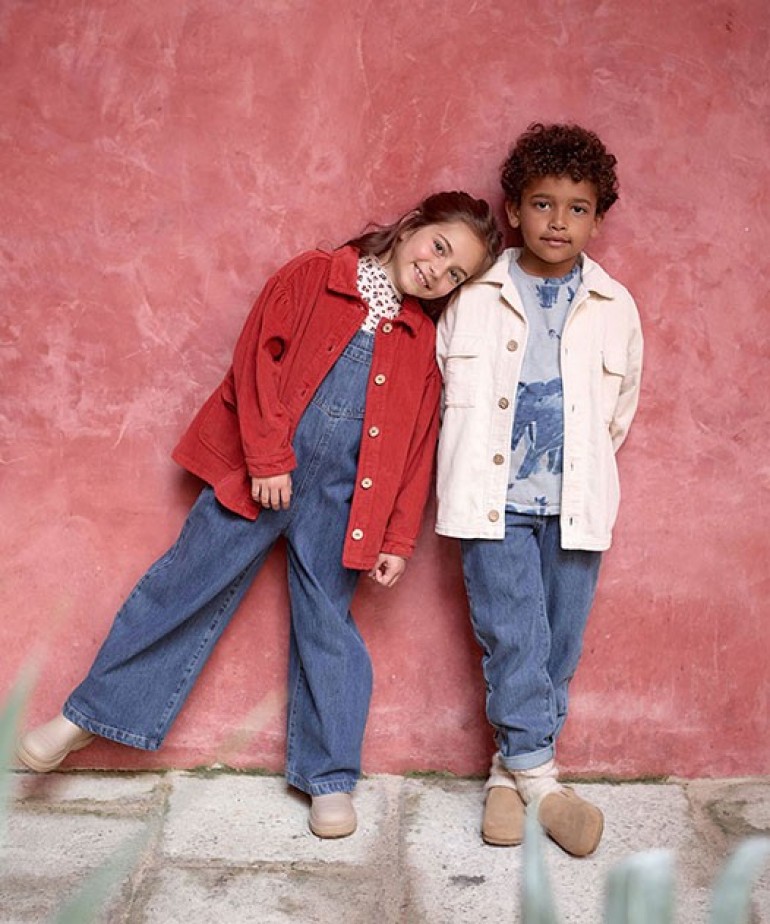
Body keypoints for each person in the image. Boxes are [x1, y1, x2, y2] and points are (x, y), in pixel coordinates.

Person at [17, 191, 503, 839]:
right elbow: (256, 362)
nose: (437, 273)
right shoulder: (315, 275)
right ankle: (87, 715)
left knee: (328, 625)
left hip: (342, 500)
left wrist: (397, 535)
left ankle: (329, 776)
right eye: (439, 248)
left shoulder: (419, 340)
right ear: (414, 225)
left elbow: (417, 445)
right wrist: (268, 456)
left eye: (455, 276)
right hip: (260, 475)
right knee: (183, 586)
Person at [435, 124, 643, 856]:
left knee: (559, 645)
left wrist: (573, 466)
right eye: (543, 204)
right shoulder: (476, 297)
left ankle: (506, 774)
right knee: (512, 636)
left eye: (577, 208)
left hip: (577, 503)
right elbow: (441, 392)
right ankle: (545, 783)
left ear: (598, 217)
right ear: (515, 211)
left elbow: (617, 415)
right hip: (493, 503)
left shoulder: (616, 307)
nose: (559, 222)